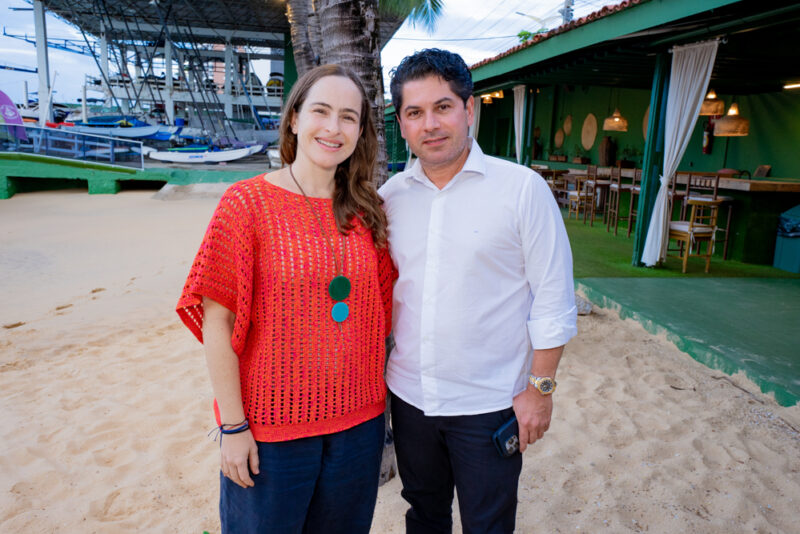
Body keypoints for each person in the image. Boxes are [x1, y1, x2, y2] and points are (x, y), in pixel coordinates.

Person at [176, 64, 396, 534]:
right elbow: (217, 324)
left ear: (361, 131)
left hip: (359, 428)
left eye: (349, 117)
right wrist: (233, 427)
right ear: (294, 119)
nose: (334, 128)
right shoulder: (245, 204)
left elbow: (382, 315)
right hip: (272, 429)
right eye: (321, 111)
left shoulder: (369, 210)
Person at [379, 49, 578, 533]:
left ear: (469, 110)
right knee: (423, 514)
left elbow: (553, 298)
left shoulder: (522, 190)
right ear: (402, 124)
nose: (430, 124)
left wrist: (540, 391)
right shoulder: (388, 200)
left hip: (490, 404)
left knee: (488, 523)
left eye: (443, 106)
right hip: (410, 399)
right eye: (415, 112)